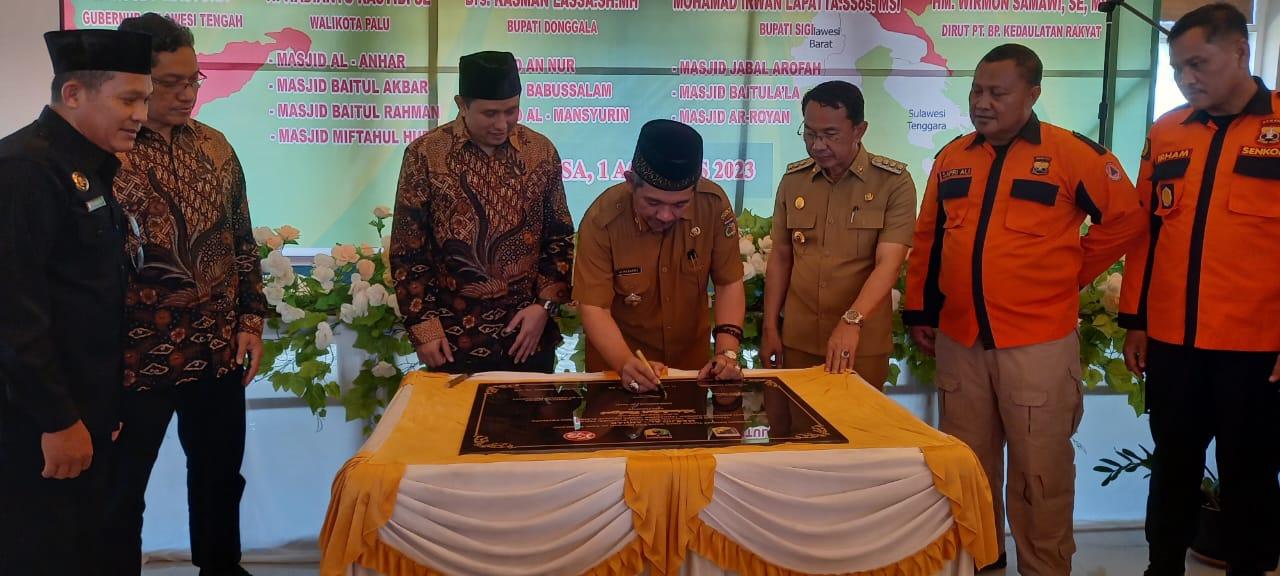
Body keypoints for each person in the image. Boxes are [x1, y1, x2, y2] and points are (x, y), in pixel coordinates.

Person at [902, 44, 1145, 573]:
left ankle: (1044, 568)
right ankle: (981, 564)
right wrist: (921, 311)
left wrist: (1071, 272)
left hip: (1036, 344)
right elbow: (929, 240)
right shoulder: (952, 158)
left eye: (997, 93)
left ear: (1032, 94)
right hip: (961, 341)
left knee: (1041, 475)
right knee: (967, 469)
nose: (982, 103)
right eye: (976, 91)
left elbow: (1126, 219)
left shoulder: (1070, 153)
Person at [1118, 4, 1280, 574]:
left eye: (1198, 63)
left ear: (1240, 51)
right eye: (1179, 67)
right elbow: (1145, 234)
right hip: (1174, 343)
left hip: (1256, 348)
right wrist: (1135, 320)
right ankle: (1161, 567)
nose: (1188, 78)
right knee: (1174, 467)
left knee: (1251, 474)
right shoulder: (1168, 131)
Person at [106, 13, 268, 576]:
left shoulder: (216, 147)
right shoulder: (109, 151)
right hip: (136, 356)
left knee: (221, 474)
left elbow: (241, 240)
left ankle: (220, 569)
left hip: (216, 347)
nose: (187, 93)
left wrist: (251, 319)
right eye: (171, 82)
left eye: (193, 79)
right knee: (122, 490)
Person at [0, 29, 152, 576]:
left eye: (145, 98)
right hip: (38, 426)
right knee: (43, 554)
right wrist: (58, 419)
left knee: (86, 549)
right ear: (73, 95)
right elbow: (16, 312)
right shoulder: (24, 169)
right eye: (128, 99)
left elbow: (88, 297)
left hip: (86, 415)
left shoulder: (87, 167)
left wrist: (100, 410)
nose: (141, 113)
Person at [390, 51, 574, 375]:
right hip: (452, 339)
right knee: (454, 425)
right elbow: (408, 250)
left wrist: (544, 307)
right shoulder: (426, 155)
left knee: (530, 424)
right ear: (462, 104)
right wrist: (424, 328)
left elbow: (558, 238)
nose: (502, 124)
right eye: (490, 113)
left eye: (511, 110)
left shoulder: (540, 152)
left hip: (527, 336)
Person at [760, 80, 916, 389]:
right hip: (798, 341)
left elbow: (888, 263)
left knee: (856, 433)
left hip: (860, 344)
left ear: (859, 130)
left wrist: (851, 321)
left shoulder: (892, 183)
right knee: (795, 432)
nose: (817, 145)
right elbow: (780, 257)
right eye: (810, 133)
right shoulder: (794, 181)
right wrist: (769, 328)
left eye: (830, 135)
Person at [573, 119, 745, 392]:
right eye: (653, 203)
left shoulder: (713, 205)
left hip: (691, 371)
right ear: (631, 183)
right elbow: (594, 307)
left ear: (695, 189)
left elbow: (728, 282)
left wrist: (727, 353)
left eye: (680, 204)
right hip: (618, 370)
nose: (665, 215)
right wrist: (624, 362)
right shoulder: (602, 220)